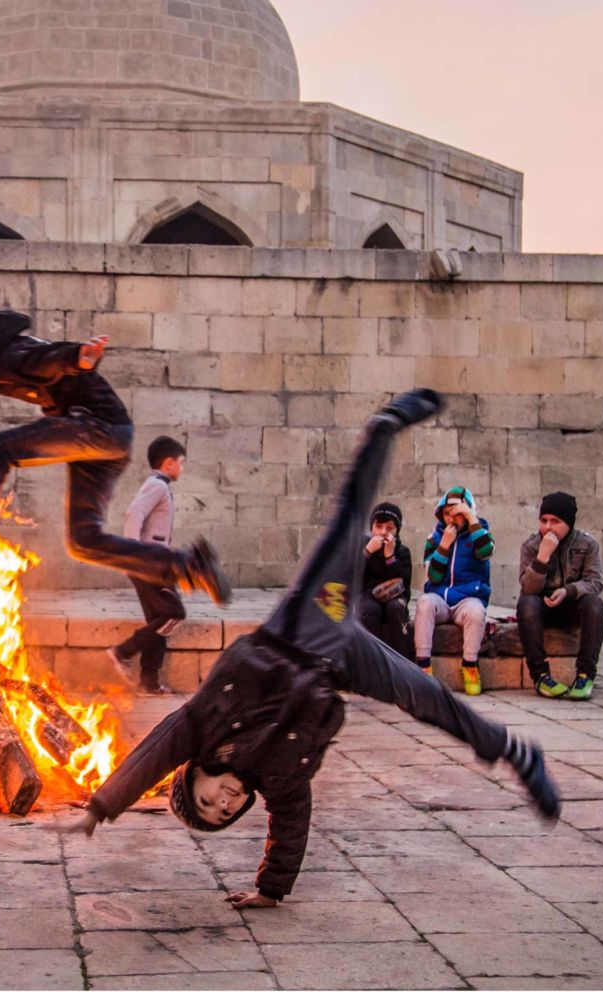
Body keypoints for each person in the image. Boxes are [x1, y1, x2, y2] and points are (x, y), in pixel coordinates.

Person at [66, 389, 559, 909]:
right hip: (339, 661)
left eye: (209, 799)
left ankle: (384, 426)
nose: (225, 802)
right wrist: (270, 891)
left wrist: (101, 807)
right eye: (226, 813)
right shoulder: (280, 779)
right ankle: (514, 752)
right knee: (426, 695)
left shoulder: (202, 726)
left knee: (348, 524)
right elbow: (290, 827)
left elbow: (155, 753)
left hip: (302, 628)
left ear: (198, 771)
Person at [0, 310, 230, 604]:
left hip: (96, 427)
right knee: (84, 541)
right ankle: (189, 566)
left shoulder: (13, 356)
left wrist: (79, 358)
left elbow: (48, 358)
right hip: (107, 439)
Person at [109, 436, 189, 694]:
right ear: (168, 463)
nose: (182, 468)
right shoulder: (158, 486)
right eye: (181, 463)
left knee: (158, 621)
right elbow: (134, 513)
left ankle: (149, 681)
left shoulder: (158, 485)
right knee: (173, 614)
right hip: (150, 564)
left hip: (152, 562)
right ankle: (122, 652)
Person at [517, 492, 603, 700]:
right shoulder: (531, 546)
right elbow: (528, 588)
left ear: (569, 523)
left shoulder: (587, 545)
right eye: (544, 520)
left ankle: (585, 675)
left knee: (595, 605)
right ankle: (540, 676)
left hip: (571, 605)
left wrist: (568, 592)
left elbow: (595, 582)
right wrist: (542, 557)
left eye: (555, 521)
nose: (548, 527)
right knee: (526, 604)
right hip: (543, 605)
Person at [413, 486, 495, 695]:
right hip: (440, 598)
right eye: (447, 514)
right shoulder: (435, 537)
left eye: (457, 513)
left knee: (477, 613)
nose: (451, 519)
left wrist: (470, 517)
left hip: (467, 598)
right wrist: (444, 546)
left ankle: (470, 666)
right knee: (424, 603)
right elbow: (433, 576)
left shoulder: (480, 532)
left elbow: (485, 552)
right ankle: (423, 666)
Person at [357, 502, 413, 661]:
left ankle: (403, 661)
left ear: (397, 531)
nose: (383, 532)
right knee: (369, 609)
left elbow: (403, 585)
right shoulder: (362, 547)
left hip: (396, 596)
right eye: (379, 526)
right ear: (371, 527)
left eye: (389, 528)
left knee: (395, 609)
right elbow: (351, 575)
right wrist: (367, 552)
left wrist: (390, 557)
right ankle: (369, 660)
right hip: (366, 594)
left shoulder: (402, 552)